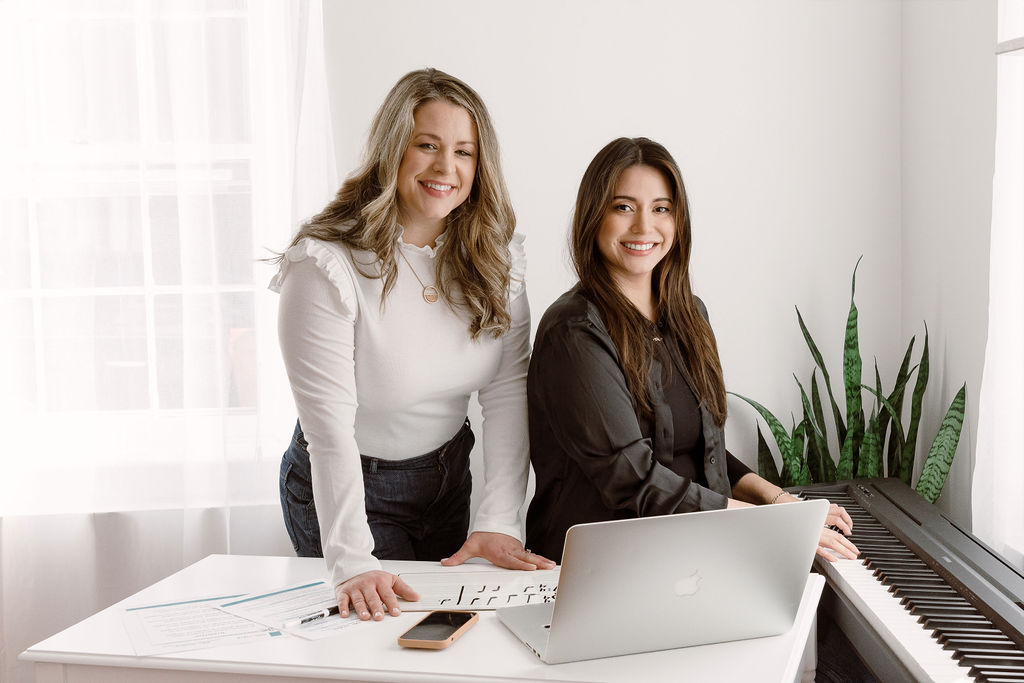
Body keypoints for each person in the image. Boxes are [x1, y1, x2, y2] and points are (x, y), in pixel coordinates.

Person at [270, 68, 554, 623]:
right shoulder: (325, 266)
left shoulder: (497, 260)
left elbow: (506, 392)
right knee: (374, 644)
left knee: (443, 638)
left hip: (448, 474)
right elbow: (330, 432)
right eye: (427, 145)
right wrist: (351, 559)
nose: (446, 168)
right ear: (392, 149)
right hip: (352, 481)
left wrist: (498, 521)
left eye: (464, 152)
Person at [524, 137, 860, 562]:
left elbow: (704, 451)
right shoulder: (574, 332)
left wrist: (782, 503)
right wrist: (774, 526)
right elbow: (634, 479)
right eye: (623, 207)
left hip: (693, 551)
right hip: (605, 568)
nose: (644, 227)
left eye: (661, 209)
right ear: (594, 216)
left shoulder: (688, 314)